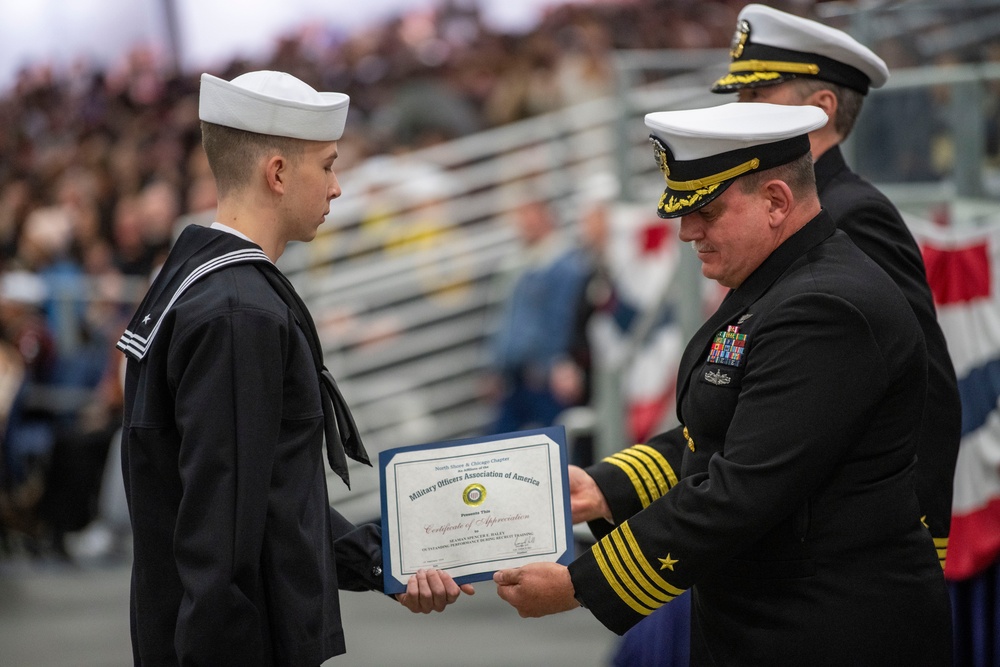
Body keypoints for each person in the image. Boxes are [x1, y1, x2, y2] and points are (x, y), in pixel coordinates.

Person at [493, 102, 954, 666]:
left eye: (706, 211)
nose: (688, 232)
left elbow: (742, 488)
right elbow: (717, 430)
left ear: (777, 202)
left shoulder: (824, 306)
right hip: (770, 618)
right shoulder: (776, 279)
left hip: (828, 626)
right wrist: (605, 487)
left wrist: (580, 585)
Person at [613, 7, 964, 664]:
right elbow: (747, 406)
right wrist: (612, 484)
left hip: (830, 584)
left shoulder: (847, 219)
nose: (742, 107)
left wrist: (914, 540)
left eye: (756, 92)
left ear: (822, 106)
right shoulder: (778, 222)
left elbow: (928, 399)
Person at [116, 70, 473, 667]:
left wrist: (383, 558)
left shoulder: (204, 278)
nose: (337, 187)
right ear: (277, 173)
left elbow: (265, 501)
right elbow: (219, 538)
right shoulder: (239, 312)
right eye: (328, 166)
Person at [484, 197, 592, 434]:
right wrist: (496, 366)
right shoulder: (520, 263)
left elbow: (563, 319)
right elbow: (507, 320)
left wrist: (556, 362)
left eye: (528, 216)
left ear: (546, 217)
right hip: (517, 377)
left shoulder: (565, 264)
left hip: (545, 379)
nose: (521, 224)